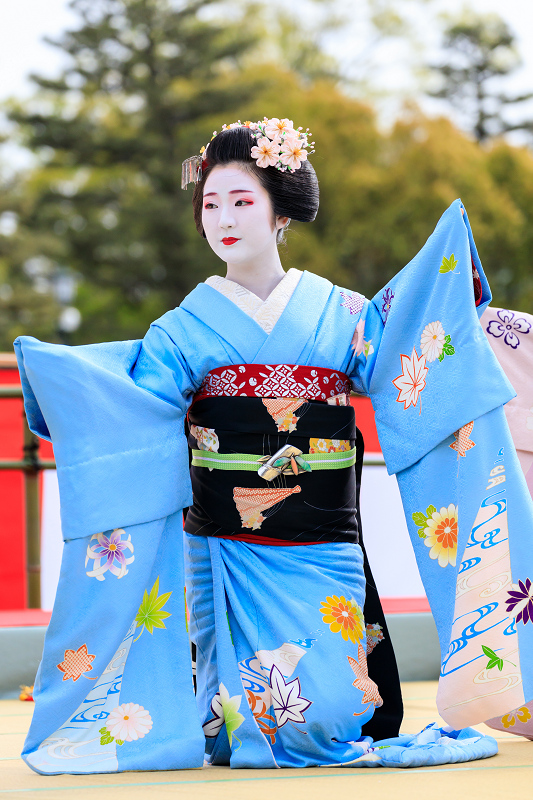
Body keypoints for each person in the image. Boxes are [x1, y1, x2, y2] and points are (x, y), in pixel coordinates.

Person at [14, 118, 533, 775]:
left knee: (331, 711)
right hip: (224, 541)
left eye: (241, 201)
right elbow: (132, 396)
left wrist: (448, 290)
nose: (222, 219)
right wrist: (60, 376)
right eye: (210, 204)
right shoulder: (182, 328)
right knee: (234, 724)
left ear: (280, 211)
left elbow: (411, 349)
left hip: (321, 534)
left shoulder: (340, 312)